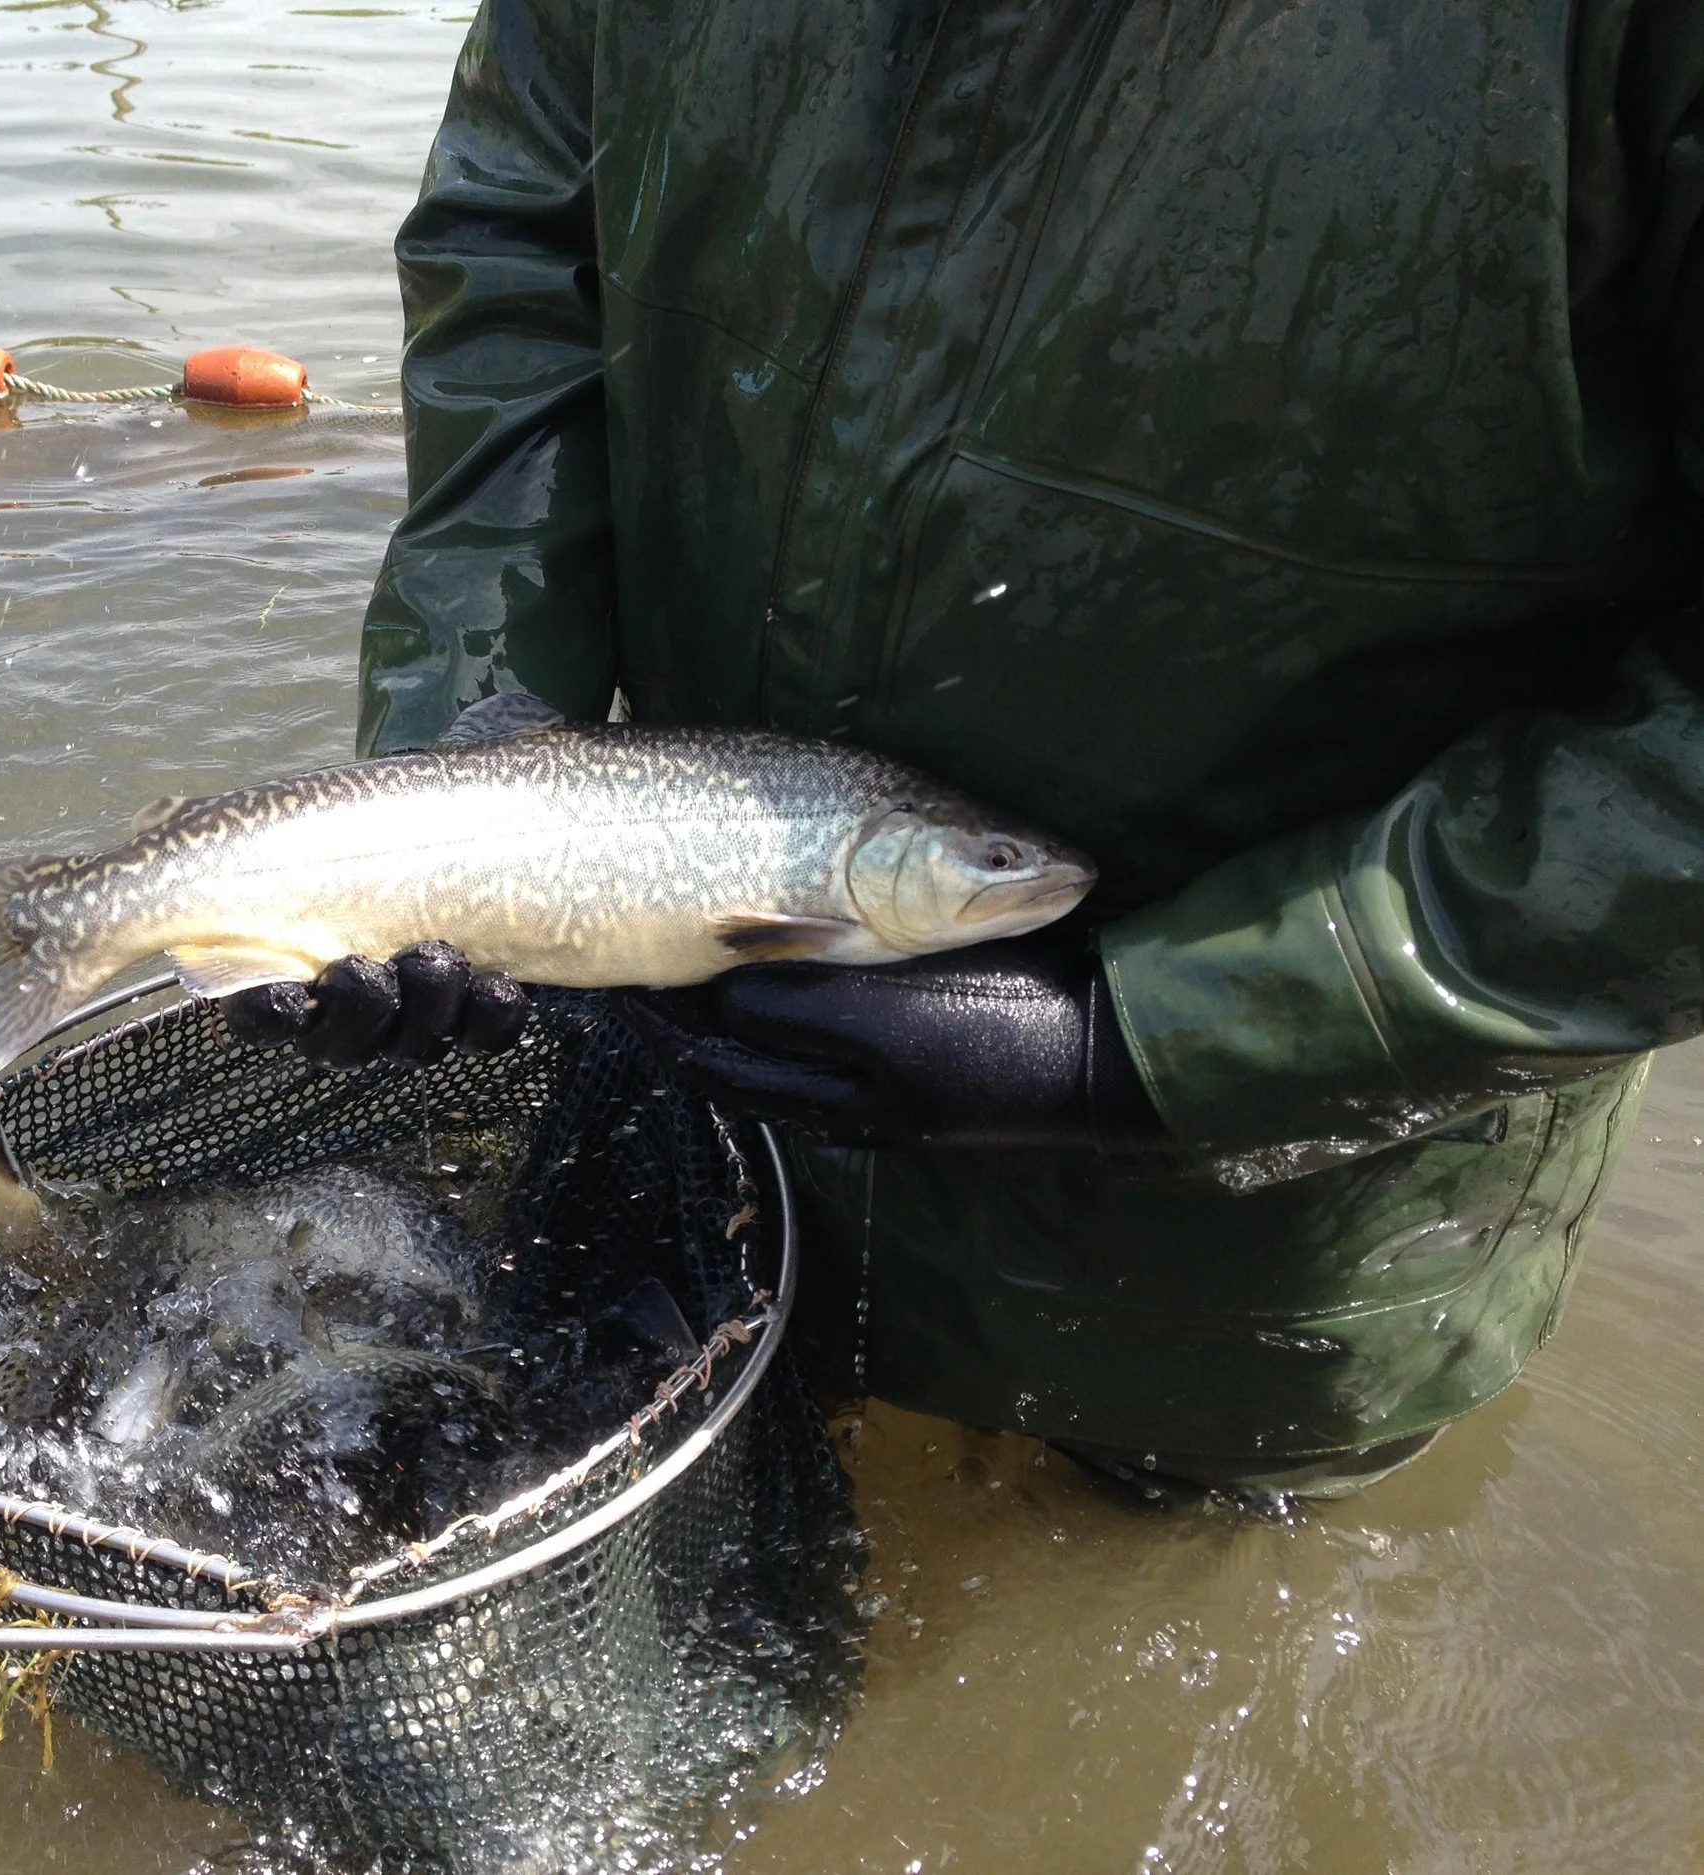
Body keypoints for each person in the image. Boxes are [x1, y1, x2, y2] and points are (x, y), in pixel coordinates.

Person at [234, 0, 1704, 1499]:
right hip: (690, 1138)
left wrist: (1160, 1041)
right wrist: (445, 791)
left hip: (1247, 1290)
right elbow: (516, 270)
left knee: (1164, 1624)